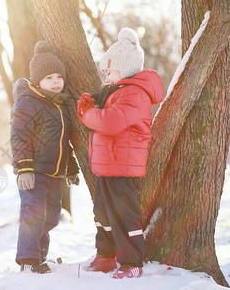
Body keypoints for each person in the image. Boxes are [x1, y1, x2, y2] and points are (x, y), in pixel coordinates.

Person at [77, 28, 164, 279]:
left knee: (124, 215)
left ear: (124, 69)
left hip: (123, 166)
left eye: (110, 71)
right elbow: (106, 114)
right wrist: (93, 103)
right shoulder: (118, 92)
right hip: (108, 165)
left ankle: (131, 262)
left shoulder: (134, 94)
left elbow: (112, 122)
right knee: (102, 213)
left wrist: (87, 114)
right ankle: (106, 256)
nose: (105, 76)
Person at [10, 40, 80, 274]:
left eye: (59, 77)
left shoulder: (59, 106)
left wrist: (71, 168)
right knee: (33, 215)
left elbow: (65, 142)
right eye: (49, 77)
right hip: (34, 172)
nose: (56, 81)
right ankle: (28, 261)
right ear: (37, 80)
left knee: (50, 218)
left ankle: (40, 255)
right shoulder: (28, 101)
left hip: (54, 173)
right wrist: (24, 167)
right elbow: (19, 135)